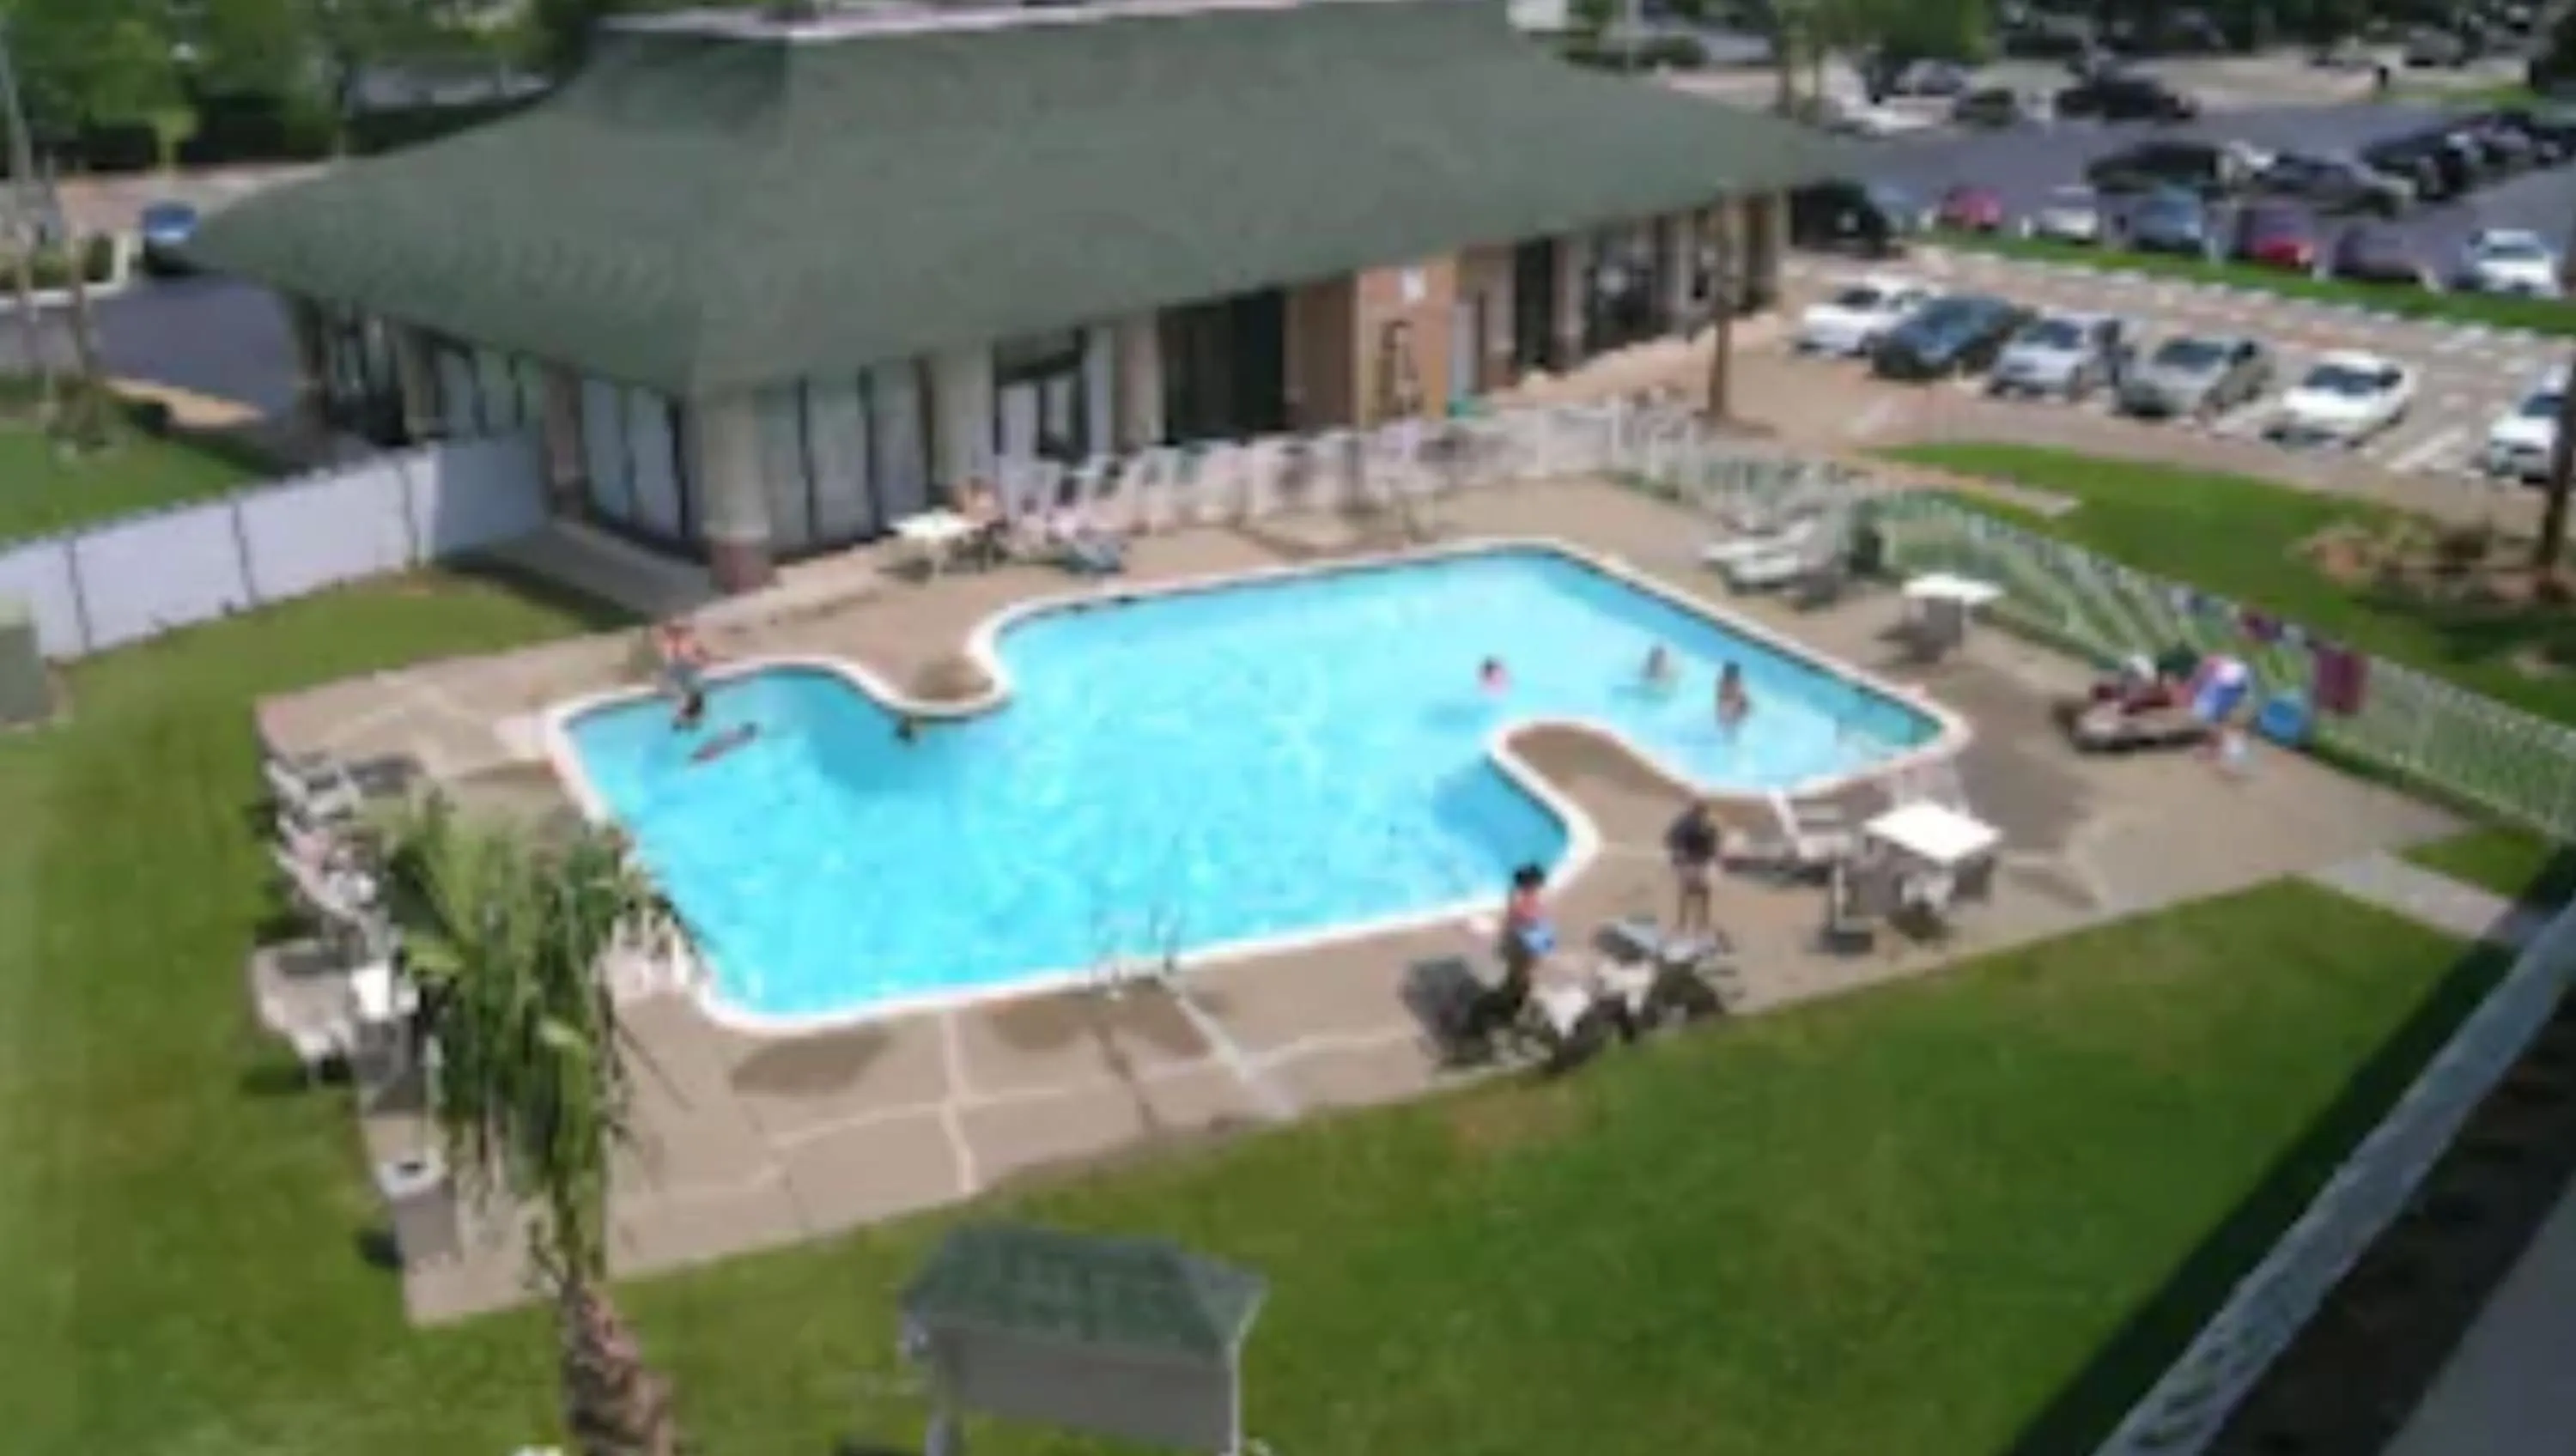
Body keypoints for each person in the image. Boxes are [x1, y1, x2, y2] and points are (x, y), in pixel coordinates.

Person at [1665, 798, 1722, 935]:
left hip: (1694, 862)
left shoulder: (1689, 823)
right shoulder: (1699, 824)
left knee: (1693, 892)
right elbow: (1713, 843)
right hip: (1694, 862)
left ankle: (1689, 923)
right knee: (1697, 892)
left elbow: (1672, 839)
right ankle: (1695, 923)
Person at [653, 618, 714, 731]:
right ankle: (683, 718)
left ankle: (692, 718)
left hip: (686, 674)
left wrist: (700, 661)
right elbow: (673, 663)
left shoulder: (688, 643)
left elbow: (702, 657)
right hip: (674, 676)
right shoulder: (669, 645)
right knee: (684, 697)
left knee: (696, 689)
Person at [689, 723, 760, 765]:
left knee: (700, 758)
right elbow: (721, 743)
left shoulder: (738, 736)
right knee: (701, 759)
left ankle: (698, 757)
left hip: (715, 747)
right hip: (716, 747)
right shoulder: (740, 738)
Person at [1716, 662, 1751, 733]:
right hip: (1732, 708)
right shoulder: (1724, 684)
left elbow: (1742, 702)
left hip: (1737, 709)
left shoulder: (1735, 686)